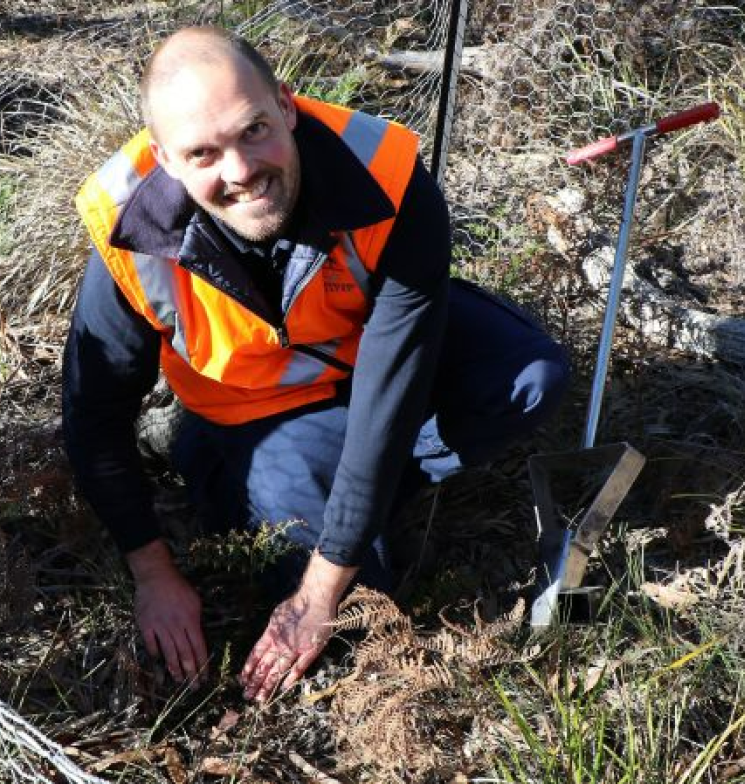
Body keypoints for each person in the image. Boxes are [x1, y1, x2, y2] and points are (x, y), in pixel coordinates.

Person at [62, 26, 569, 703]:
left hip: (373, 367)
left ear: (287, 104)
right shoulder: (127, 233)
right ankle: (220, 460)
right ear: (164, 158)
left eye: (254, 131)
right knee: (362, 618)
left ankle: (346, 491)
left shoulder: (384, 175)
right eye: (203, 153)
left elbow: (396, 383)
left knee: (531, 382)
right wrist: (152, 572)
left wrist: (323, 583)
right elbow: (92, 414)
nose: (240, 171)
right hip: (257, 414)